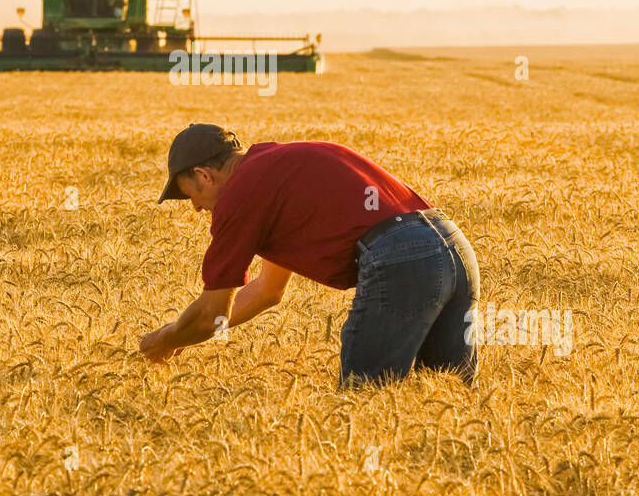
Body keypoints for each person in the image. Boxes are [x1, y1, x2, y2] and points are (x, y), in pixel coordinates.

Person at [139, 123, 480, 387]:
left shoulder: (240, 195)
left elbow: (211, 311)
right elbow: (266, 291)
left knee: (366, 405)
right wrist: (184, 335)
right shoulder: (276, 170)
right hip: (453, 248)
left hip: (402, 259)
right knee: (447, 400)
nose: (197, 209)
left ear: (204, 175)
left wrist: (166, 339)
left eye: (192, 197)